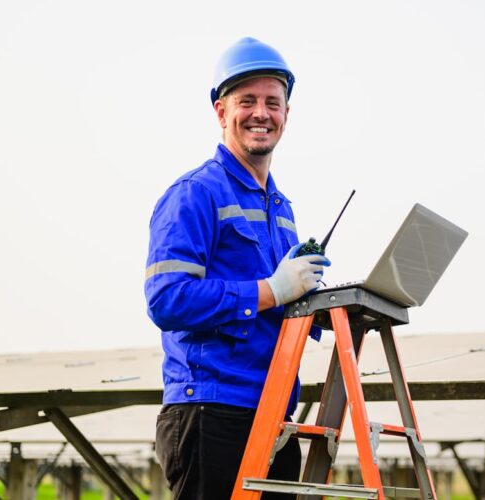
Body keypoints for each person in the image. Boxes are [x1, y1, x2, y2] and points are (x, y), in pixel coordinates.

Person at [144, 37, 329, 499]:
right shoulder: (195, 194)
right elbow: (166, 299)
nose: (261, 113)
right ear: (221, 112)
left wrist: (321, 305)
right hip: (211, 412)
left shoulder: (282, 208)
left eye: (273, 102)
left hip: (274, 415)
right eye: (247, 101)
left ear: (287, 114)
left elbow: (282, 304)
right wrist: (270, 289)